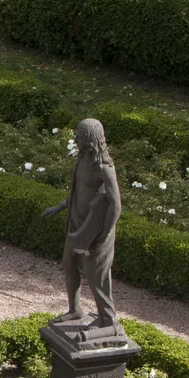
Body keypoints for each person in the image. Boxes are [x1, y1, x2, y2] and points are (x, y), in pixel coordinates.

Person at [41, 118, 122, 334]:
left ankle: (108, 320)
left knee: (96, 276)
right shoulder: (83, 158)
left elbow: (116, 204)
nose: (75, 138)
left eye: (79, 135)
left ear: (89, 138)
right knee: (69, 265)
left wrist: (105, 232)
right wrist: (59, 207)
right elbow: (77, 191)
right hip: (76, 223)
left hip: (95, 230)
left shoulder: (104, 167)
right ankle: (75, 309)